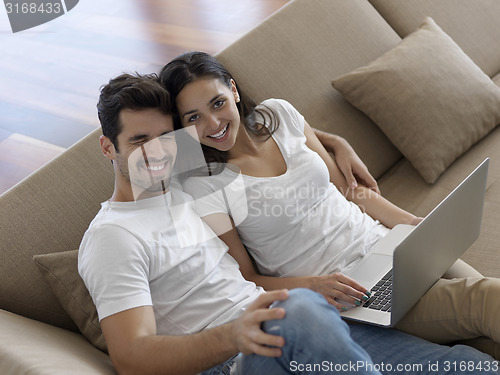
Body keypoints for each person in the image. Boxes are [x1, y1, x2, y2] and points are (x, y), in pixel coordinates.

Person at [77, 72, 498, 375]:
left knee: (472, 367)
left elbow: (274, 134)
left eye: (167, 136)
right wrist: (235, 334)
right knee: (299, 307)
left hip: (306, 324)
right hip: (238, 356)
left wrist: (337, 142)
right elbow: (132, 358)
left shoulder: (187, 182)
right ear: (107, 148)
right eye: (138, 141)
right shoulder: (113, 237)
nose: (158, 153)